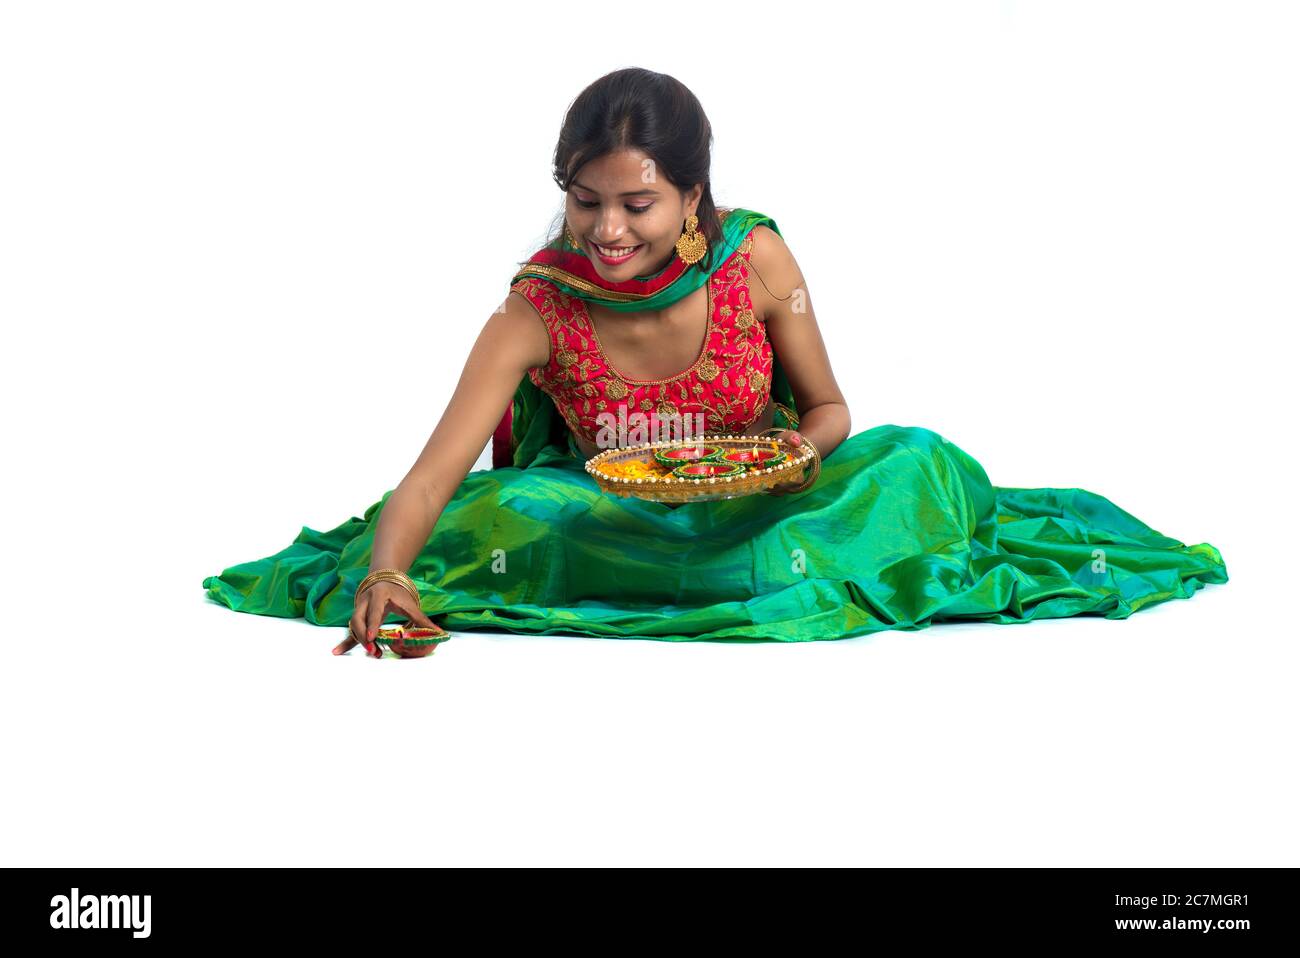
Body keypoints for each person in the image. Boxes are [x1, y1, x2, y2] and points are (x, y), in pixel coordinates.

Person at [201, 68, 1228, 652]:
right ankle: (723, 578)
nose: (607, 230)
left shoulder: (761, 263)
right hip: (614, 519)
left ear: (694, 197)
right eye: (586, 201)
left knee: (911, 461)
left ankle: (754, 558)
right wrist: (387, 567)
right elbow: (434, 473)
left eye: (636, 204)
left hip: (762, 504)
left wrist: (785, 461)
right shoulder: (535, 311)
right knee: (491, 517)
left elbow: (827, 408)